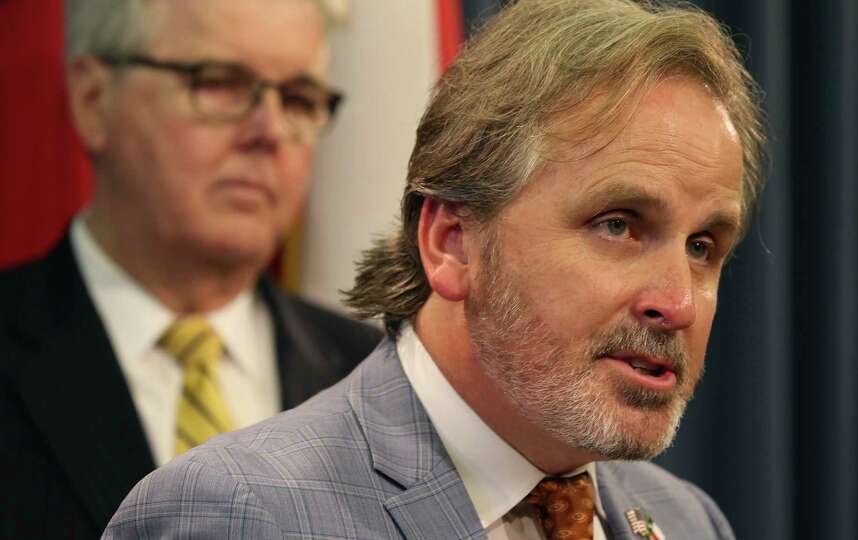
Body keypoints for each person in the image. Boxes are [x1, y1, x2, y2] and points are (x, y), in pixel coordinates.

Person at [103, 0, 766, 538]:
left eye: (703, 245)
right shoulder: (240, 516)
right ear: (452, 243)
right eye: (618, 225)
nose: (678, 302)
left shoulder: (686, 522)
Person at [0, 0, 381, 537]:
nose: (269, 132)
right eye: (220, 83)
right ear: (93, 100)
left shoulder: (376, 377)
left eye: (298, 98)